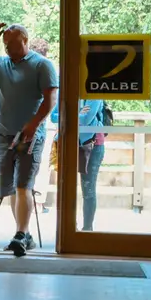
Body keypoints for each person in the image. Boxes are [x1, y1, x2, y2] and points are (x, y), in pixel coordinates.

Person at [0, 22, 58, 257]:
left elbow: (50, 100)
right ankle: (23, 234)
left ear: (25, 40)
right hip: (3, 135)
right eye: (5, 45)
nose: (7, 49)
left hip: (30, 136)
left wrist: (34, 123)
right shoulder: (0, 63)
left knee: (23, 184)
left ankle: (20, 234)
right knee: (10, 189)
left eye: (12, 44)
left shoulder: (42, 65)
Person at [66, 98, 110, 230]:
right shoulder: (69, 91)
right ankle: (69, 228)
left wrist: (71, 115)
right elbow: (55, 117)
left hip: (92, 144)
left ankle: (87, 229)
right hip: (72, 142)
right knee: (67, 187)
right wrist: (79, 112)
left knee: (88, 189)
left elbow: (85, 121)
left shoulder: (93, 94)